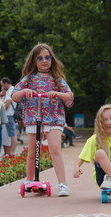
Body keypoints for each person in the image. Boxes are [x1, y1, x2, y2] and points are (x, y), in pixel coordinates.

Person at [12, 43, 74, 197]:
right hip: (35, 118)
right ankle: (29, 180)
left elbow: (69, 97)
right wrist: (24, 91)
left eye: (47, 57)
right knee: (33, 151)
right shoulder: (28, 79)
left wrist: (57, 94)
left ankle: (62, 184)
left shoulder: (57, 79)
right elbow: (14, 95)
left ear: (52, 60)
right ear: (34, 61)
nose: (44, 61)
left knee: (54, 148)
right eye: (40, 58)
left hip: (53, 118)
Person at [0, 77, 17, 157]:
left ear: (6, 83)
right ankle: (10, 152)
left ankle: (12, 152)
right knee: (11, 134)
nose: (2, 87)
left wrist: (2, 112)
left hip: (9, 114)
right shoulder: (11, 90)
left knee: (12, 134)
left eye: (2, 85)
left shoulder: (10, 91)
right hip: (9, 114)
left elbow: (7, 104)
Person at [0, 85, 12, 157]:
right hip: (2, 119)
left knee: (7, 136)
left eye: (2, 90)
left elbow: (6, 106)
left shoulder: (7, 98)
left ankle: (8, 152)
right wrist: (0, 94)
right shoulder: (2, 98)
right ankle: (5, 152)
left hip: (6, 117)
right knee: (3, 136)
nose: (1, 91)